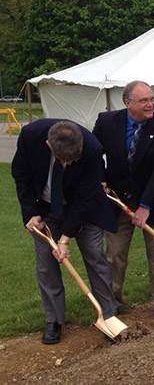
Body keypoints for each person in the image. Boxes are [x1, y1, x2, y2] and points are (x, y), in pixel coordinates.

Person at [12, 120, 118, 344]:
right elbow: (21, 175)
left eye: (74, 159)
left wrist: (65, 238)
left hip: (85, 210)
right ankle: (54, 320)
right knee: (46, 265)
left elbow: (86, 197)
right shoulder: (30, 136)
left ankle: (108, 315)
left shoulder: (92, 147)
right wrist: (31, 212)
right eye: (66, 160)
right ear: (49, 144)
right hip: (46, 208)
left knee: (95, 257)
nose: (70, 163)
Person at [93, 81, 154, 320]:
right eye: (144, 100)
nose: (151, 104)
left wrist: (145, 206)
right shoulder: (107, 122)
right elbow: (91, 153)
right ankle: (111, 304)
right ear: (127, 103)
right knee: (115, 256)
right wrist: (100, 179)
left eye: (152, 99)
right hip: (117, 202)